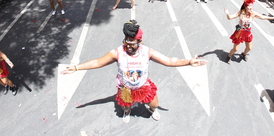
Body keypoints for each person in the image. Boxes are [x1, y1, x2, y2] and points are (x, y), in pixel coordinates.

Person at [61, 20, 207, 123]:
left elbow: (169, 61)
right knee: (125, 107)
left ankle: (151, 111)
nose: (128, 46)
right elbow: (98, 62)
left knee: (154, 105)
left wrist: (188, 62)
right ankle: (127, 112)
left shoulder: (148, 52)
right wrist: (76, 67)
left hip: (143, 87)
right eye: (126, 42)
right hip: (126, 89)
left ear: (139, 42)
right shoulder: (117, 53)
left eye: (132, 43)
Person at [224, 0, 274, 64]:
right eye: (249, 7)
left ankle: (243, 54)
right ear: (245, 7)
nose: (251, 8)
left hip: (247, 33)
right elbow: (230, 17)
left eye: (251, 7)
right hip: (239, 32)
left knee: (249, 48)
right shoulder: (240, 13)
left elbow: (262, 17)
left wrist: (273, 18)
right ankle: (229, 56)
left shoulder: (253, 13)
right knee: (235, 49)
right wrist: (227, 13)